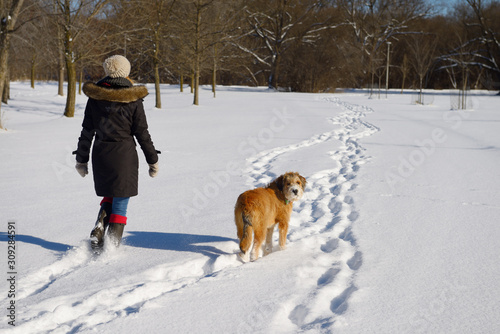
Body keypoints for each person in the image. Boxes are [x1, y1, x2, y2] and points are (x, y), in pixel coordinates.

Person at [74, 55, 159, 251]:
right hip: (124, 156)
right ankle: (111, 249)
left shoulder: (95, 98)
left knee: (110, 193)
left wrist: (81, 160)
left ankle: (99, 226)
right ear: (125, 72)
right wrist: (152, 160)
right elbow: (142, 133)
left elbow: (87, 131)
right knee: (121, 200)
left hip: (101, 153)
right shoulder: (133, 99)